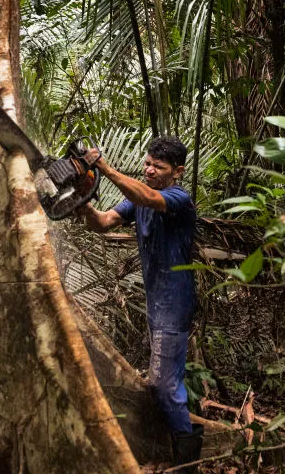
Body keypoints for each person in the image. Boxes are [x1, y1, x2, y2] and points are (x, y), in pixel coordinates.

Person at [77, 136, 203, 471]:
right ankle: (181, 441)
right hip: (156, 303)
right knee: (165, 380)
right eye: (147, 164)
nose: (149, 170)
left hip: (174, 305)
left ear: (177, 172)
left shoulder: (178, 198)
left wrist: (103, 166)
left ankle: (186, 465)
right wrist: (82, 203)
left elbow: (147, 196)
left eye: (158, 167)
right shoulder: (138, 201)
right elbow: (103, 223)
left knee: (163, 384)